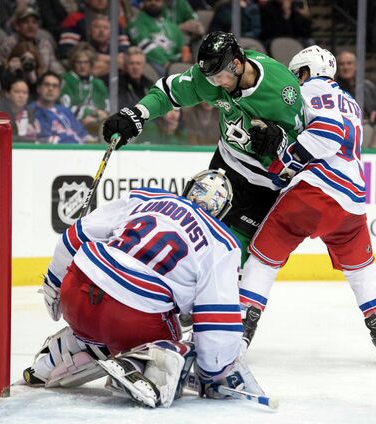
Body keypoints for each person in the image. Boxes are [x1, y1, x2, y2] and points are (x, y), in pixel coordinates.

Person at [23, 170, 265, 408]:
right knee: (175, 340)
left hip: (76, 291)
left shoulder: (145, 197)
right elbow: (217, 321)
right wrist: (215, 372)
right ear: (221, 212)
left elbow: (72, 237)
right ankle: (142, 365)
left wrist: (54, 286)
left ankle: (56, 358)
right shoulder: (222, 242)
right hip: (132, 318)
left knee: (105, 314)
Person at [237, 46, 376, 361]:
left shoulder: (309, 90)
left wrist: (285, 160)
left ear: (304, 72)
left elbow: (327, 134)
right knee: (361, 267)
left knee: (263, 255)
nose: (294, 82)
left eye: (296, 75)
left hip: (316, 191)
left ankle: (242, 324)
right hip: (352, 201)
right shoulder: (351, 102)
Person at [102, 31, 304, 262]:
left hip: (265, 183)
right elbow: (168, 93)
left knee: (234, 255)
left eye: (219, 77)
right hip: (225, 166)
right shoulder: (211, 74)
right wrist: (138, 114)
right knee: (191, 236)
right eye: (210, 78)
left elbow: (306, 143)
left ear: (237, 64)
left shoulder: (282, 91)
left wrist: (279, 141)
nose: (215, 84)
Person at [29, 72, 96, 144]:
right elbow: (44, 138)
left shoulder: (65, 110)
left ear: (59, 91)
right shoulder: (31, 111)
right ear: (39, 88)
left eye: (55, 86)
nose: (51, 89)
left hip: (78, 150)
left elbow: (82, 133)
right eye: (47, 85)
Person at [128, 0, 190, 75]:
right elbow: (146, 46)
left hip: (175, 62)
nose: (153, 2)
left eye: (157, 0)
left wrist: (185, 55)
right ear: (144, 2)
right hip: (157, 64)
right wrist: (166, 64)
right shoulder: (136, 23)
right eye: (149, 0)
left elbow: (182, 46)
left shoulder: (170, 24)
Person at [60, 43, 110, 135]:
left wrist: (97, 118)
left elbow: (107, 110)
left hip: (98, 124)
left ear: (91, 63)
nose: (82, 66)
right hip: (72, 125)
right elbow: (65, 108)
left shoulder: (98, 83)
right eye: (79, 62)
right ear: (73, 63)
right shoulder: (67, 81)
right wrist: (92, 112)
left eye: (86, 62)